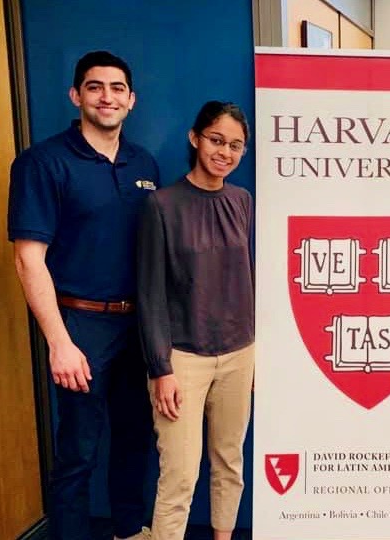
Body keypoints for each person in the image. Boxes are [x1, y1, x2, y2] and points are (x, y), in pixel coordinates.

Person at [8, 51, 159, 540]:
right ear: (76, 96)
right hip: (80, 327)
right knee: (79, 450)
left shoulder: (144, 163)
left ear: (131, 100)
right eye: (95, 87)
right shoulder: (42, 163)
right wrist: (59, 342)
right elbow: (28, 259)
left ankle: (129, 530)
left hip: (138, 326)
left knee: (136, 440)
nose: (106, 97)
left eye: (117, 88)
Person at [137, 100, 255, 540]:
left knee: (230, 463)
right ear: (195, 138)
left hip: (239, 353)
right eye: (216, 140)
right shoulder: (161, 205)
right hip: (181, 360)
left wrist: (253, 354)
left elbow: (244, 278)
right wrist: (160, 369)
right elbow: (149, 293)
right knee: (179, 476)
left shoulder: (242, 201)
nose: (225, 152)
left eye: (236, 146)